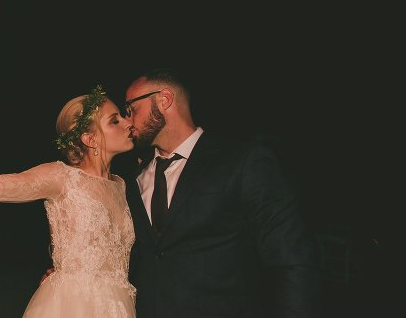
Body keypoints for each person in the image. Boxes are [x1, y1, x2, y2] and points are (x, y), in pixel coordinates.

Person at [121, 67, 321, 318]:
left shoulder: (242, 161)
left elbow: (291, 259)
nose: (127, 120)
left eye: (131, 108)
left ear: (164, 100)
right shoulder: (130, 180)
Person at [0, 78, 138, 317]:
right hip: (71, 306)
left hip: (117, 308)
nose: (128, 123)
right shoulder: (61, 177)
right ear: (90, 139)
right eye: (115, 120)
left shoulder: (121, 185)